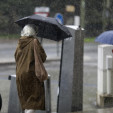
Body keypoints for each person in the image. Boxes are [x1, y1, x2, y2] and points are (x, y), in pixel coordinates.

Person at [14, 24, 47, 113]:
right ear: (33, 32)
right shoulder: (34, 41)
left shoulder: (19, 42)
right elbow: (43, 58)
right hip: (31, 75)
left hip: (20, 74)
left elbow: (16, 57)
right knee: (34, 101)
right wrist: (40, 47)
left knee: (26, 101)